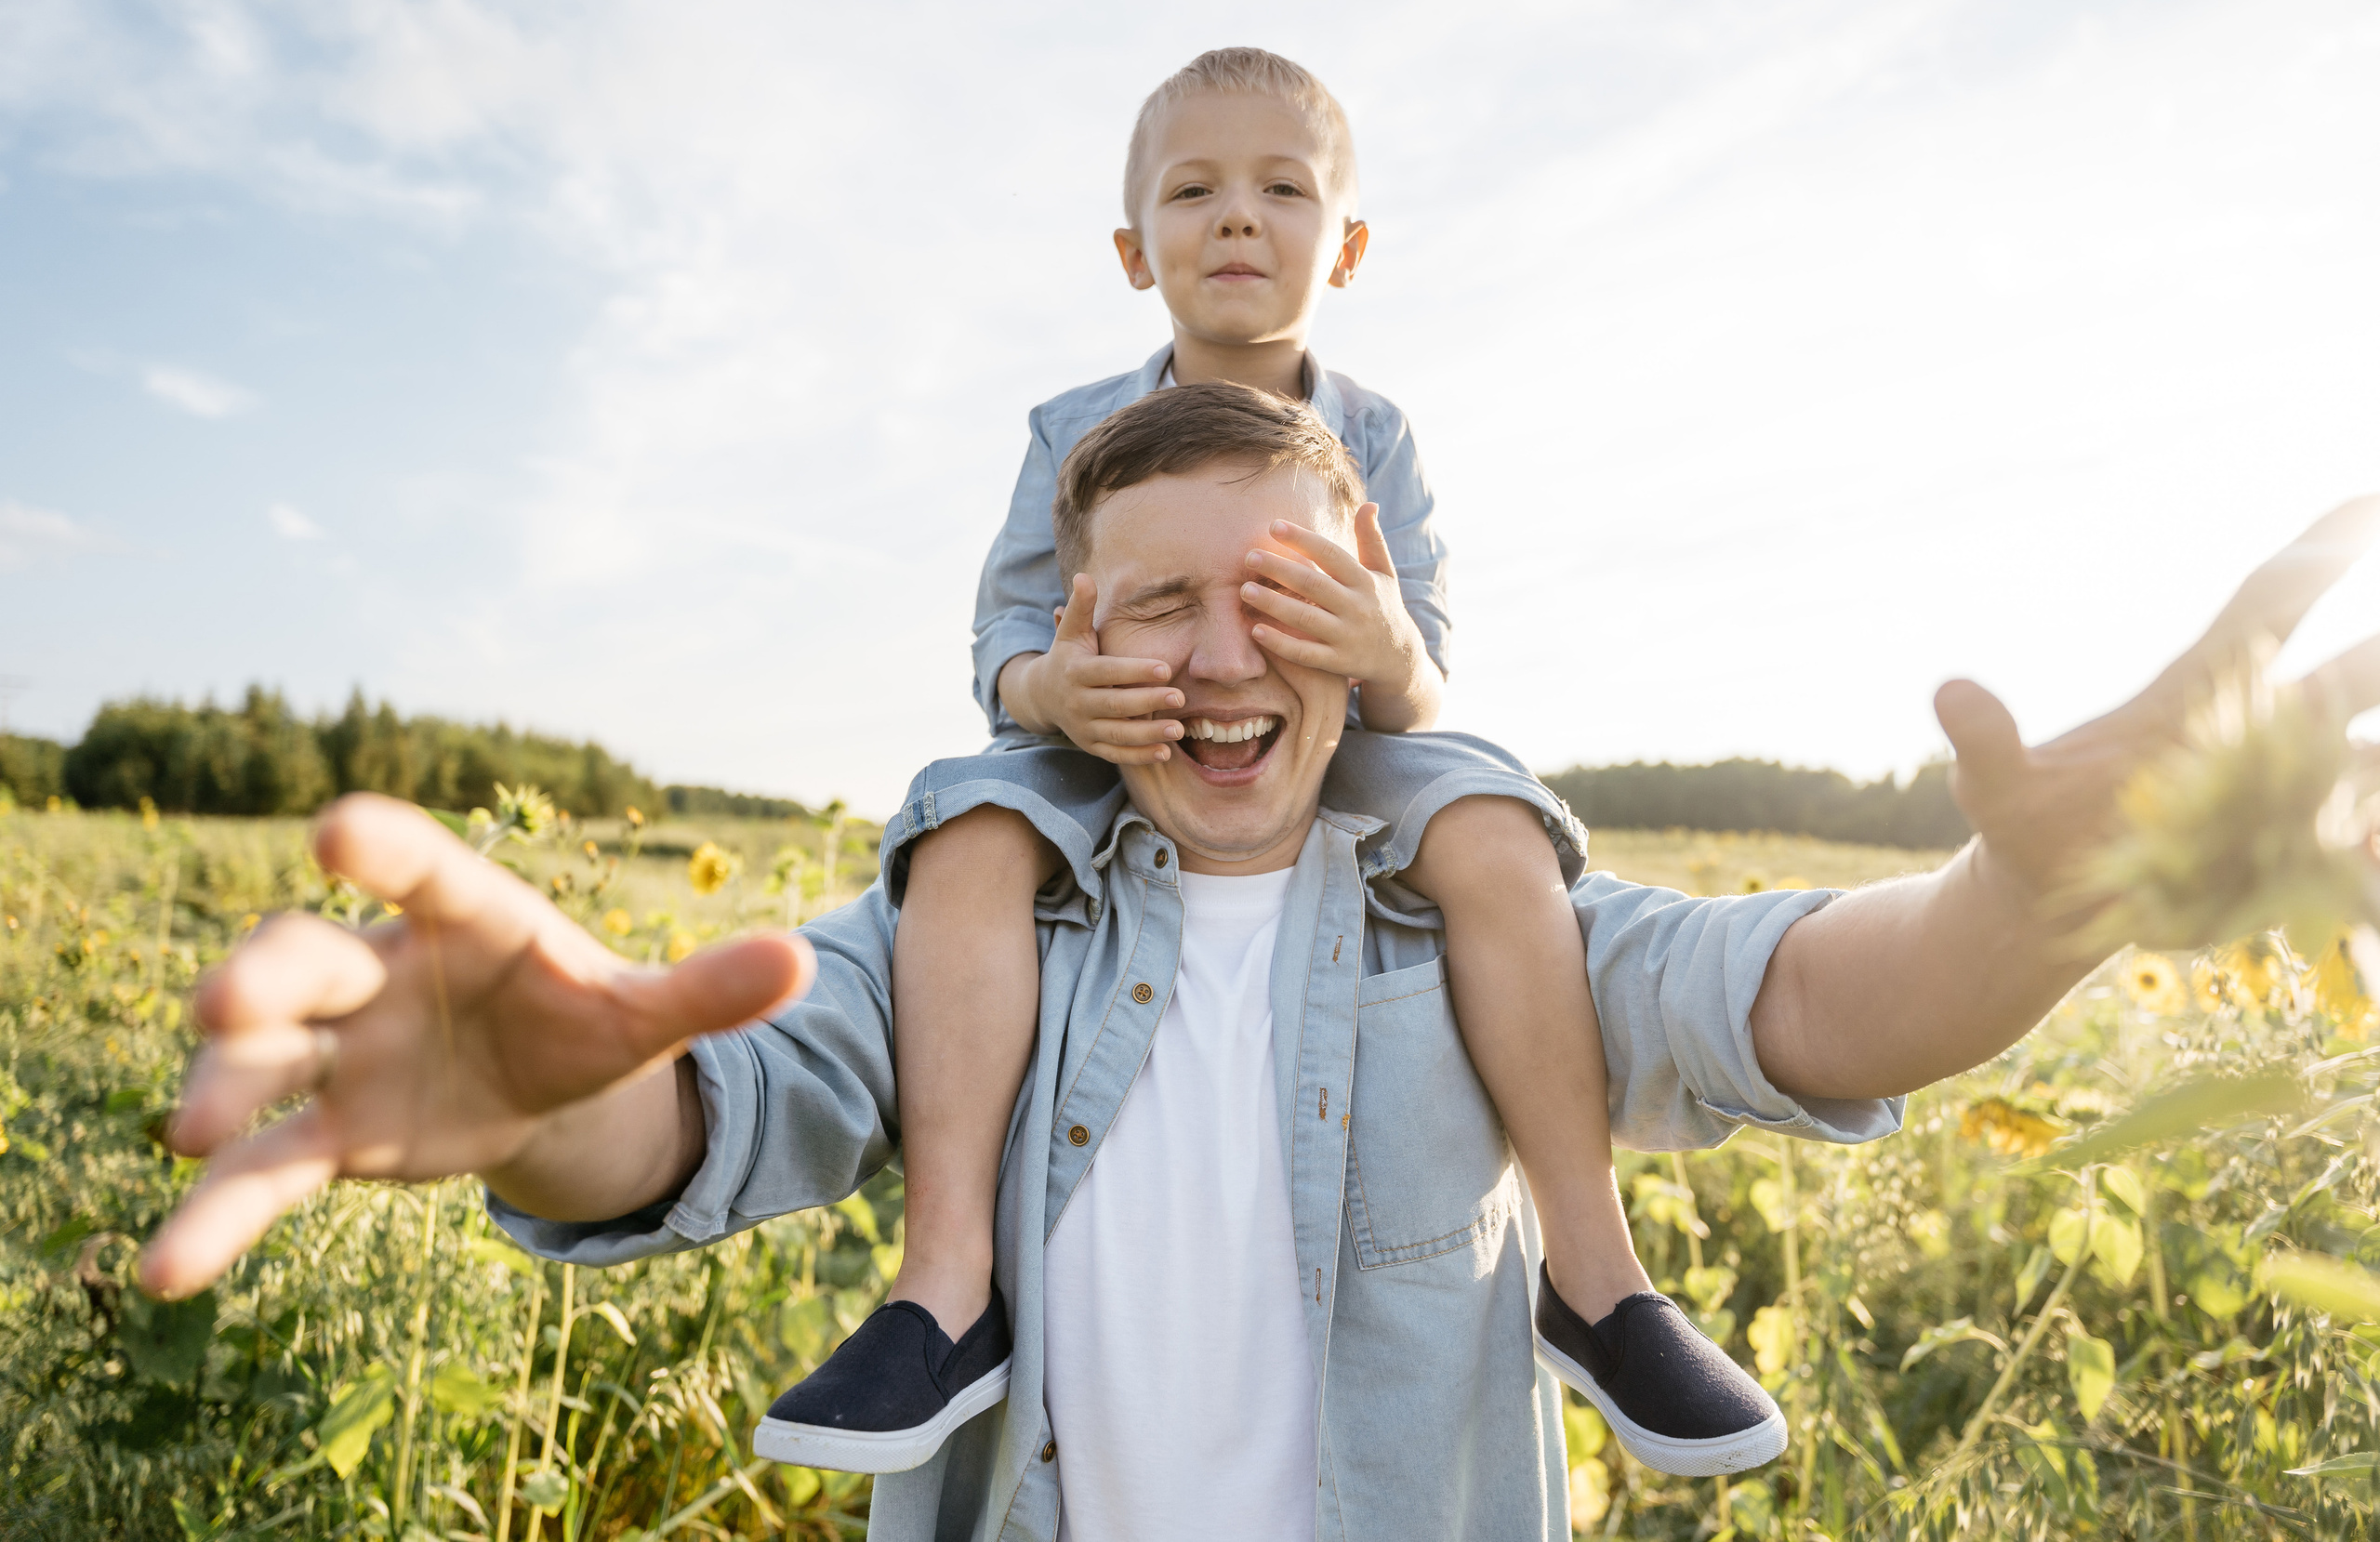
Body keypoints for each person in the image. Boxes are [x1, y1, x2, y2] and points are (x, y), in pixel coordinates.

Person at [141, 383, 2380, 1539]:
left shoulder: (1476, 902)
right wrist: (542, 1094)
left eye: (1273, 597)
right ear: (1059, 639)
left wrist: (2038, 906)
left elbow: (1795, 998)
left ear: (1365, 604)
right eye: (1145, 608)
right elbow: (719, 1095)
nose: (1212, 667)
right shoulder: (980, 916)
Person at [823, 45, 1739, 1478]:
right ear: (1135, 251)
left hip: (1338, 741)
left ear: (1348, 245)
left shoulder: (1376, 434)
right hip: (1112, 728)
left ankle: (1596, 1272)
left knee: (1498, 826)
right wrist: (1055, 685)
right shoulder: (1069, 430)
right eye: (1195, 190)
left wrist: (1377, 640)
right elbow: (1003, 631)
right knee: (965, 835)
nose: (1238, 217)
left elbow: (1421, 667)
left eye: (1282, 190)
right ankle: (946, 1288)